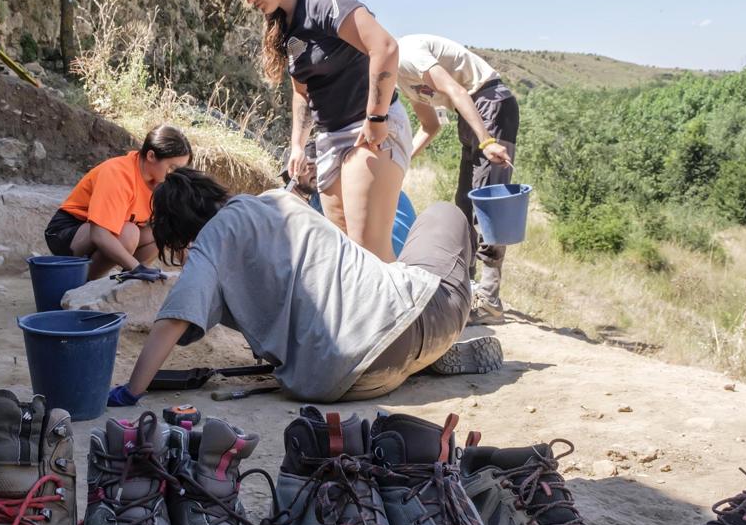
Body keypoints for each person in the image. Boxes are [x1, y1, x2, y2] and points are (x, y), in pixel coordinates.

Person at [107, 168, 502, 407]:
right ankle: (441, 339)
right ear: (213, 194)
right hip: (412, 323)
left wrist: (131, 391)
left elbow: (176, 317)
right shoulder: (276, 201)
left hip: (337, 383)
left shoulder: (213, 246)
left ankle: (421, 357)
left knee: (390, 300)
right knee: (444, 214)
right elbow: (178, 316)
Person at [229, 0, 409, 261]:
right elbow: (301, 93)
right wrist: (297, 145)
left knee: (367, 256)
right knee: (344, 258)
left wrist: (376, 120)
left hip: (366, 130)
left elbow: (385, 48)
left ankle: (407, 314)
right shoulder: (286, 25)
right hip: (329, 140)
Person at [396, 34, 516, 323]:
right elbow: (430, 124)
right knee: (464, 204)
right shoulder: (400, 80)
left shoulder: (407, 54)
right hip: (471, 113)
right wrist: (402, 161)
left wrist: (487, 142)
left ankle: (489, 299)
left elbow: (457, 91)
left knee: (488, 203)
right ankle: (465, 288)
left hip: (489, 102)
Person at [44, 124, 191, 280]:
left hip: (110, 232)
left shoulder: (163, 183)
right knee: (128, 233)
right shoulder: (118, 173)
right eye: (172, 167)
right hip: (69, 233)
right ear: (151, 156)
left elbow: (175, 233)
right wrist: (136, 267)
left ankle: (126, 284)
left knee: (159, 234)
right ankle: (79, 285)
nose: (177, 175)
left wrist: (193, 272)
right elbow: (99, 234)